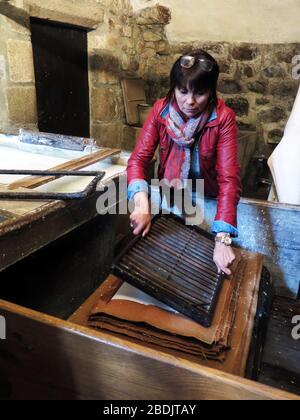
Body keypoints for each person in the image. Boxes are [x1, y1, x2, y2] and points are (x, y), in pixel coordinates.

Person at [126, 50, 241, 275]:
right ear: (173, 88)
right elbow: (139, 160)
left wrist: (223, 238)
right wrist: (141, 203)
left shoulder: (223, 118)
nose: (190, 101)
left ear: (211, 92)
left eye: (200, 93)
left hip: (206, 197)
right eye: (182, 91)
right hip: (171, 195)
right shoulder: (161, 110)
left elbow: (229, 179)